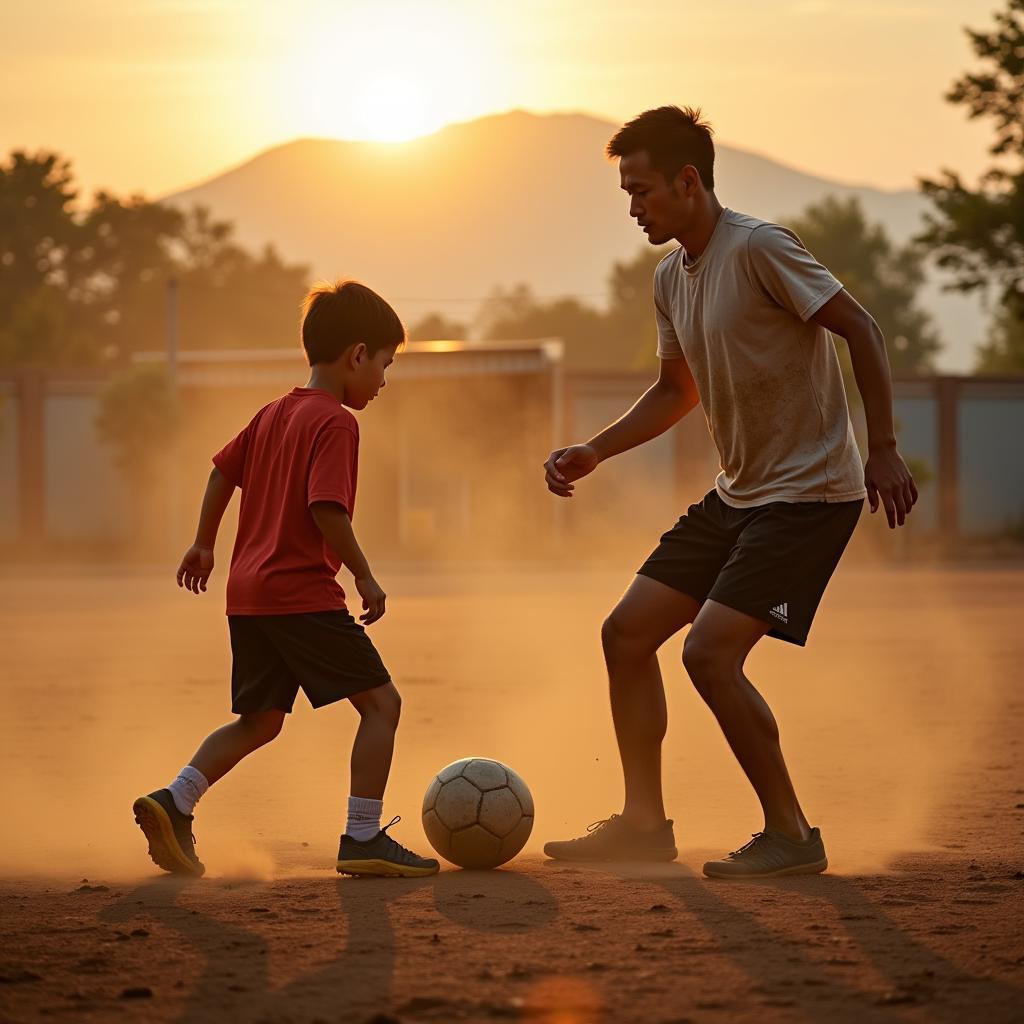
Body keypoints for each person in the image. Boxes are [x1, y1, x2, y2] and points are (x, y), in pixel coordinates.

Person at [542, 106, 917, 879]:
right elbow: (675, 391)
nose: (633, 206)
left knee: (709, 654)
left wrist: (881, 449)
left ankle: (792, 834)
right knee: (626, 635)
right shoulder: (668, 278)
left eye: (642, 189)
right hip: (741, 495)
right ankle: (644, 825)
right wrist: (595, 450)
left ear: (688, 181)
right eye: (625, 192)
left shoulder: (760, 248)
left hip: (810, 495)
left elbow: (864, 331)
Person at [133, 280, 439, 879]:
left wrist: (204, 543)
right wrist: (366, 577)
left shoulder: (273, 412)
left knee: (261, 721)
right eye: (385, 364)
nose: (382, 380)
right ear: (357, 355)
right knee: (382, 705)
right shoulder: (336, 423)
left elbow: (222, 472)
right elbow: (328, 509)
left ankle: (176, 800)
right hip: (300, 594)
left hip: (248, 596)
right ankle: (363, 836)